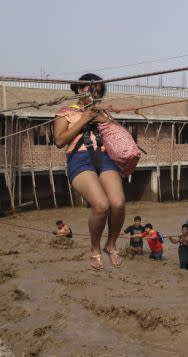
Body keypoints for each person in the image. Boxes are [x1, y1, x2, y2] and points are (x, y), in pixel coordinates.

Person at [53, 73, 125, 270]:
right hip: (80, 159)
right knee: (101, 205)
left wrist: (103, 118)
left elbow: (118, 135)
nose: (95, 94)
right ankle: (94, 249)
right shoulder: (65, 111)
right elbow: (59, 141)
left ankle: (110, 244)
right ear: (79, 90)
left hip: (105, 157)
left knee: (118, 203)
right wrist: (85, 119)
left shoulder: (104, 113)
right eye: (90, 89)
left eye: (98, 91)